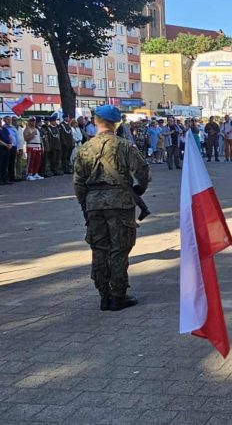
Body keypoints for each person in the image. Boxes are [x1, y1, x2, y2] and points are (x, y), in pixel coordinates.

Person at [73, 104, 151, 311]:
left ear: (95, 121)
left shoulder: (85, 148)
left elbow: (78, 182)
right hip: (120, 203)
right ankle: (118, 295)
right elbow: (142, 171)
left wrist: (85, 205)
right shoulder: (124, 146)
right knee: (119, 249)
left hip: (93, 204)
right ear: (116, 123)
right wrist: (139, 189)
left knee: (99, 248)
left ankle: (104, 295)